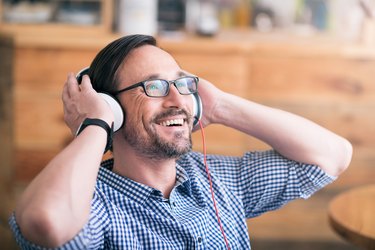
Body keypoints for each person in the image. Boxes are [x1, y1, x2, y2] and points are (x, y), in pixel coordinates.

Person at [9, 34, 352, 249]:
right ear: (112, 107)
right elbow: (46, 222)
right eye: (154, 87)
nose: (178, 99)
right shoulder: (94, 204)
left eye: (183, 84)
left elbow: (333, 156)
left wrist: (218, 106)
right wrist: (95, 124)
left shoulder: (218, 179)